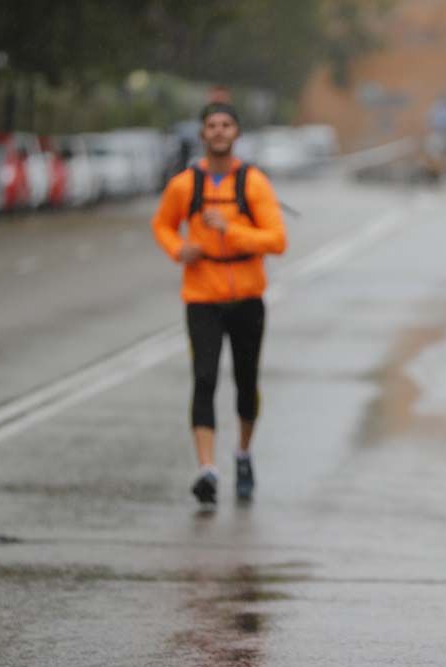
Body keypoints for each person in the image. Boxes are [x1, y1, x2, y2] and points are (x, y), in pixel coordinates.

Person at [151, 102, 287, 506]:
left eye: (226, 124)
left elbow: (277, 241)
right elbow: (161, 224)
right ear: (202, 134)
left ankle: (243, 453)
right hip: (202, 296)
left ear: (237, 133)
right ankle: (207, 469)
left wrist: (233, 230)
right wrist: (180, 249)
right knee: (205, 378)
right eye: (212, 125)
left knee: (246, 382)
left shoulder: (253, 184)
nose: (219, 131)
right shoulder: (184, 185)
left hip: (247, 296)